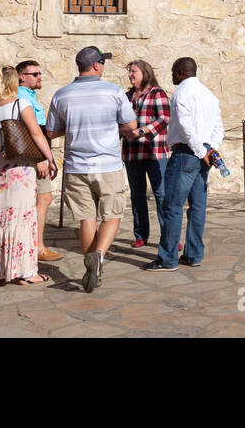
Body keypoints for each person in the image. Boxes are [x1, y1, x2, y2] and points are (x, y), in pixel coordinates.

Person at [44, 46, 137, 292]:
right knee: (112, 215)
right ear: (96, 65)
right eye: (102, 62)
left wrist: (74, 127)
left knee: (87, 218)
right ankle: (98, 255)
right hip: (108, 165)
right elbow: (130, 124)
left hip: (76, 166)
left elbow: (51, 132)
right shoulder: (114, 91)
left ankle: (91, 269)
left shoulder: (61, 95)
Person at [0, 65, 57, 285]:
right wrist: (49, 158)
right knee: (22, 218)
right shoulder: (20, 104)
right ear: (14, 82)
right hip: (18, 167)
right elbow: (35, 133)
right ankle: (25, 272)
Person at [146, 57, 224, 271]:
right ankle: (193, 254)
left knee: (172, 206)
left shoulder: (181, 93)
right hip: (204, 154)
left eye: (173, 72)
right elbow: (218, 127)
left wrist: (200, 151)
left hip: (186, 154)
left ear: (180, 72)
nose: (171, 76)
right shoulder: (209, 95)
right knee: (197, 206)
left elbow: (186, 126)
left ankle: (168, 258)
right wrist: (210, 149)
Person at [16, 59, 63, 262]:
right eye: (34, 74)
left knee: (39, 200)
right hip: (35, 154)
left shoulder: (28, 96)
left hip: (38, 151)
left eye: (39, 73)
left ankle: (32, 245)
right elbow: (29, 131)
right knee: (43, 199)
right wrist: (41, 158)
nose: (39, 77)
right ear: (22, 77)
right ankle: (38, 247)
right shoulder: (22, 97)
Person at [123, 60, 170, 249]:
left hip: (156, 153)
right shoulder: (126, 96)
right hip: (132, 153)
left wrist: (142, 131)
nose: (130, 75)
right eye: (129, 72)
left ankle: (169, 236)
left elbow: (165, 117)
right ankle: (141, 234)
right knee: (137, 195)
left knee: (162, 194)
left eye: (134, 71)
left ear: (145, 72)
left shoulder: (157, 93)